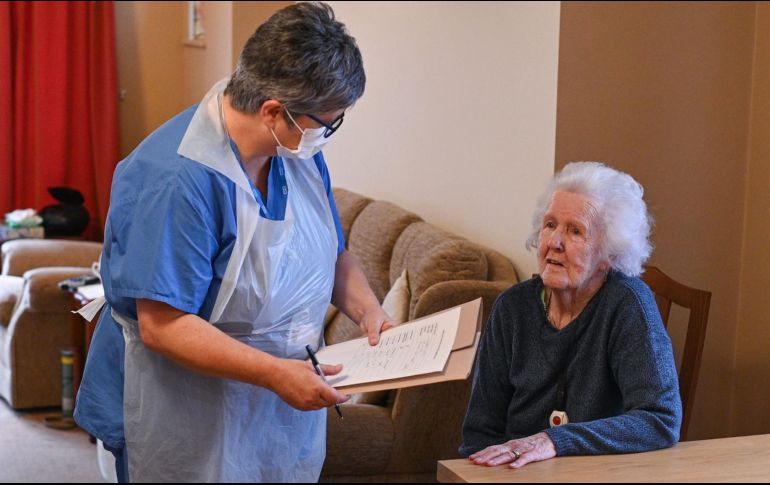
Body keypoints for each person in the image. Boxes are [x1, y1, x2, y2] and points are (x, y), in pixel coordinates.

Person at [74, 3, 393, 482]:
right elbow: (163, 325)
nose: (327, 135)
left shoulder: (296, 152)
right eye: (327, 123)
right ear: (273, 111)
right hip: (180, 401)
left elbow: (331, 254)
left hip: (275, 396)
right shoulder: (177, 179)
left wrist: (369, 313)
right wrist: (275, 372)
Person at [459, 161, 681, 469]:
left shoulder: (627, 304)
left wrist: (554, 440)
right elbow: (480, 432)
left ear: (608, 255)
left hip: (598, 473)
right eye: (550, 225)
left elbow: (659, 418)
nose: (554, 242)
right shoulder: (512, 308)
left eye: (575, 231)